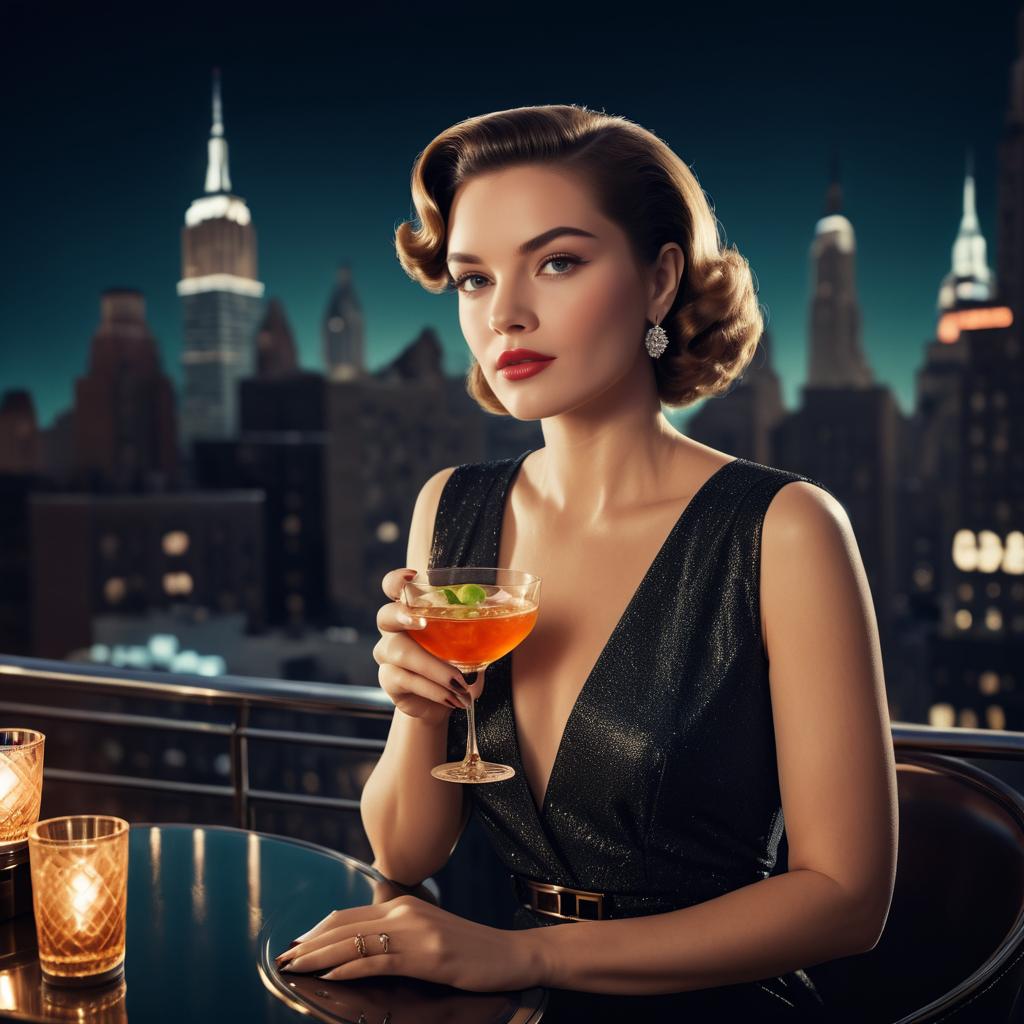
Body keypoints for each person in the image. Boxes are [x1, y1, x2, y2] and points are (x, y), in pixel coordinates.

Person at [275, 104, 898, 1021]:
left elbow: (847, 902)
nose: (507, 314)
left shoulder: (787, 528)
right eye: (474, 279)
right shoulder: (451, 507)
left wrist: (523, 954)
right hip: (490, 999)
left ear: (659, 279)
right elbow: (405, 854)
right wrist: (415, 709)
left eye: (558, 262)